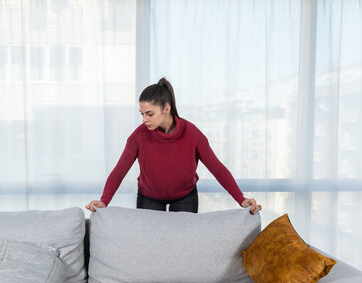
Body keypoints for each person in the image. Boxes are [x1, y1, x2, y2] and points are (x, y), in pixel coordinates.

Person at [85, 77, 261, 214]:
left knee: (183, 248)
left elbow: (217, 168)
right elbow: (119, 171)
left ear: (166, 109)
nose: (144, 119)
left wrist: (241, 199)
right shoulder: (138, 136)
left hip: (185, 197)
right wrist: (104, 200)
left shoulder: (192, 134)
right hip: (149, 198)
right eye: (142, 114)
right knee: (152, 246)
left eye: (149, 114)